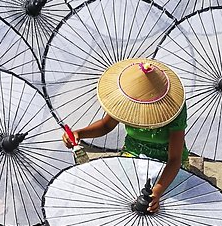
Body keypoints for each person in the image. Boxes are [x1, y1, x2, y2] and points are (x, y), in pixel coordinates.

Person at [62, 58, 188, 213]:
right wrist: (79, 133)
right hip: (132, 153)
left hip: (166, 160)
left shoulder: (174, 109)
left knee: (165, 206)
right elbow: (106, 125)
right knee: (117, 197)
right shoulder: (127, 102)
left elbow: (174, 159)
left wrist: (156, 193)